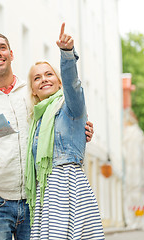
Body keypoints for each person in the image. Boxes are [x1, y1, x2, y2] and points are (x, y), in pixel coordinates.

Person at [0, 30, 94, 239]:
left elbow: (63, 117)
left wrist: (82, 130)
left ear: (11, 53)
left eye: (2, 48)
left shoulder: (33, 92)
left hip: (35, 200)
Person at [25, 23, 104, 239]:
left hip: (68, 186)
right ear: (32, 89)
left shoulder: (71, 107)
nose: (44, 80)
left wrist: (66, 53)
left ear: (59, 82)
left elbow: (73, 85)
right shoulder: (36, 120)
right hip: (46, 193)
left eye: (49, 74)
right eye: (37, 77)